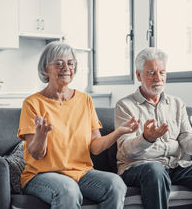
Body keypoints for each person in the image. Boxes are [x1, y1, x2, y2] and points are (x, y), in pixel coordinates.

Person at [18, 42, 140, 209]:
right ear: (45, 69)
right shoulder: (32, 103)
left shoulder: (85, 100)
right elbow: (37, 155)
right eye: (59, 63)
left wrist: (119, 132)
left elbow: (95, 147)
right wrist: (42, 135)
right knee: (68, 190)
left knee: (116, 184)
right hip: (41, 175)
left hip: (80, 173)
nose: (66, 68)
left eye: (70, 63)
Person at [115, 47, 192, 209]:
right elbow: (126, 150)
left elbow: (189, 144)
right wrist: (146, 139)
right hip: (138, 167)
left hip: (174, 166)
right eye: (151, 73)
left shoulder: (177, 104)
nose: (158, 78)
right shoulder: (125, 106)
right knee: (155, 169)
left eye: (162, 72)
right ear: (138, 75)